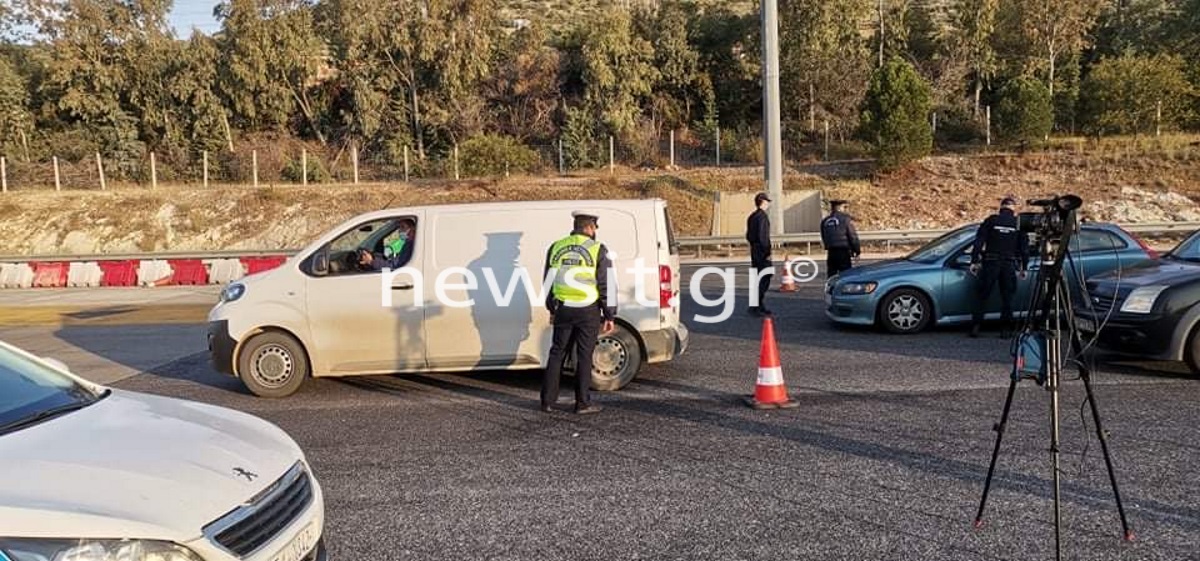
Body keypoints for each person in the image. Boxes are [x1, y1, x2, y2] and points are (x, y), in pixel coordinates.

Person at [540, 211, 616, 414]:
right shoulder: (598, 249)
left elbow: (547, 282)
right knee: (584, 355)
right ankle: (582, 403)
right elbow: (606, 283)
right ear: (590, 228)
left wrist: (552, 308)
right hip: (587, 309)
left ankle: (547, 401)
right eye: (595, 228)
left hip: (563, 307)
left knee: (557, 353)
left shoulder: (556, 246)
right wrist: (609, 314)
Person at [968, 196, 1029, 338]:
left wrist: (974, 261)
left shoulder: (991, 221)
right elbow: (1024, 248)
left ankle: (976, 327)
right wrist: (1024, 267)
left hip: (990, 262)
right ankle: (1005, 330)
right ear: (1013, 209)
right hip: (1008, 264)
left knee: (983, 295)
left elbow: (978, 242)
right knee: (1007, 298)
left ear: (1001, 208)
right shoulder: (1018, 224)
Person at [746, 192, 773, 316]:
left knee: (757, 278)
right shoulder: (762, 217)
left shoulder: (752, 216)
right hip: (762, 252)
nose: (768, 204)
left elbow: (749, 236)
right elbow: (763, 237)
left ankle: (757, 305)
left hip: (754, 251)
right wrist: (767, 252)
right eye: (767, 201)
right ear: (762, 202)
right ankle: (756, 305)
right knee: (764, 278)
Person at [820, 199, 860, 278]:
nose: (844, 209)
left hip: (831, 252)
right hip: (843, 251)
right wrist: (857, 250)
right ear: (839, 208)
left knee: (832, 275)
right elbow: (852, 236)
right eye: (843, 207)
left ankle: (831, 289)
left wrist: (827, 246)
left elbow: (824, 236)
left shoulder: (825, 221)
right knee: (846, 275)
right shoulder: (845, 219)